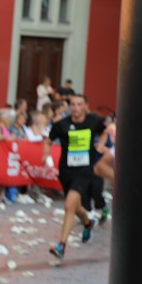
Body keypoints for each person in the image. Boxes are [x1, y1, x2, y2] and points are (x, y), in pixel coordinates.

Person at [46, 94, 105, 260]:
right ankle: (88, 222)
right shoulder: (61, 125)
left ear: (86, 106)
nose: (76, 108)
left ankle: (61, 246)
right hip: (66, 171)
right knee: (74, 207)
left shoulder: (93, 121)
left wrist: (100, 144)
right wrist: (46, 154)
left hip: (85, 170)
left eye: (79, 104)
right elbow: (48, 140)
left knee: (68, 206)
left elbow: (103, 133)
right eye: (72, 104)